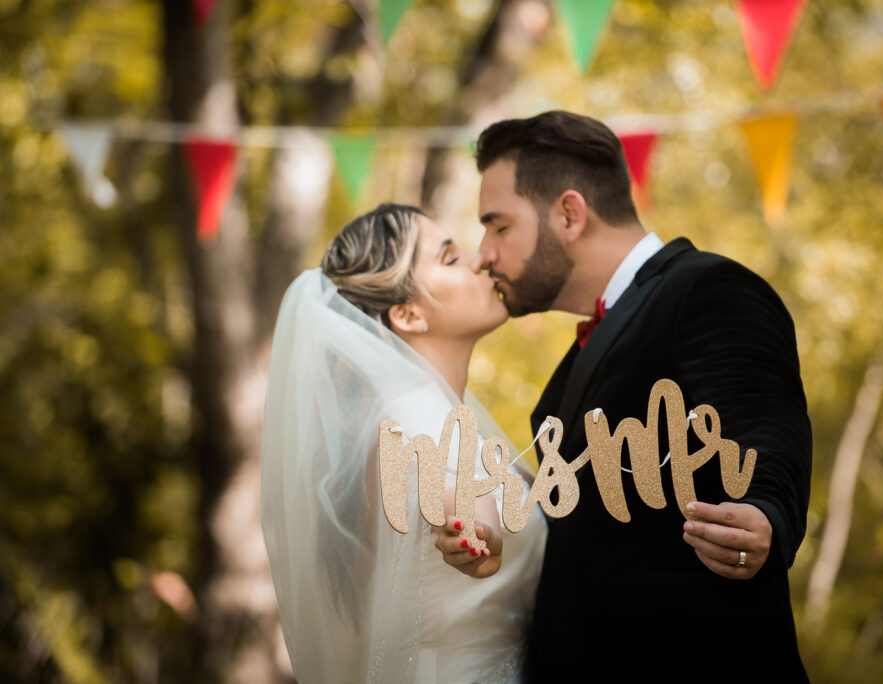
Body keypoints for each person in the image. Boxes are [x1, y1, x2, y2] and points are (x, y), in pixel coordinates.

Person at [466, 110, 813, 681]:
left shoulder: (705, 289)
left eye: (498, 226)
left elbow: (765, 429)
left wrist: (766, 513)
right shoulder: (581, 351)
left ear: (570, 214)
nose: (484, 253)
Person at [259, 204, 547, 683]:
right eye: (451, 258)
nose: (480, 259)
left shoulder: (436, 414)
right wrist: (475, 532)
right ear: (409, 314)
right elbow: (458, 501)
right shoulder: (414, 423)